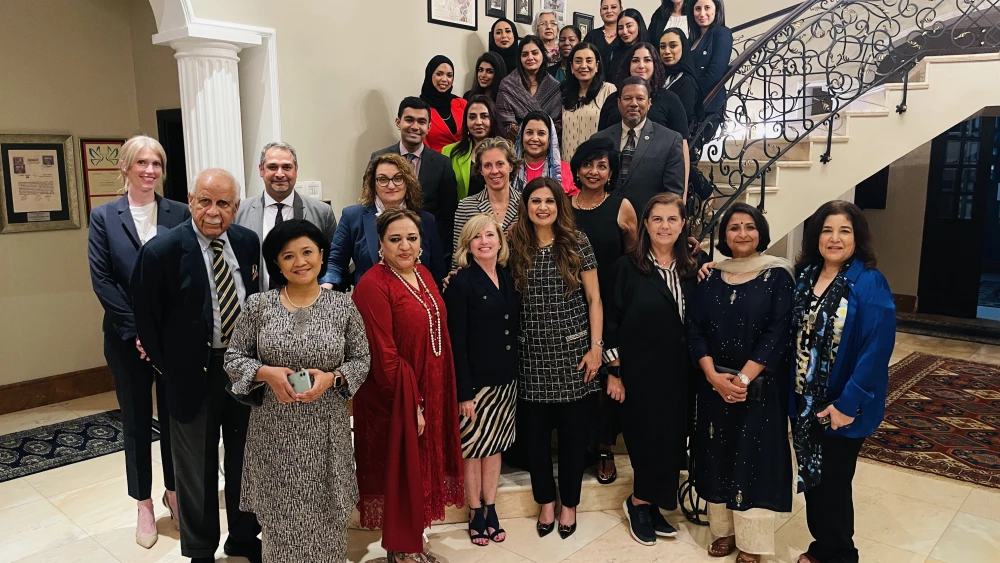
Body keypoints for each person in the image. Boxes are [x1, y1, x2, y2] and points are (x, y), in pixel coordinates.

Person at [130, 168, 262, 563]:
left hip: (243, 370)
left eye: (223, 203)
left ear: (236, 207)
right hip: (191, 375)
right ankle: (201, 549)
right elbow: (147, 322)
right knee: (195, 469)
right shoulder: (160, 252)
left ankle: (243, 537)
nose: (213, 211)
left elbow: (254, 300)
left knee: (244, 459)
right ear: (190, 201)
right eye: (204, 200)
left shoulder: (246, 241)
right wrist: (172, 370)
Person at [223, 219, 371, 562]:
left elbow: (362, 359)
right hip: (275, 435)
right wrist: (265, 372)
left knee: (328, 521)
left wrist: (332, 378)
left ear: (321, 256)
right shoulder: (259, 306)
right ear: (277, 264)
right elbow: (233, 358)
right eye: (288, 256)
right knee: (279, 523)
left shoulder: (342, 306)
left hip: (326, 433)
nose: (300, 261)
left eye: (307, 252)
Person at [87, 135, 187, 549]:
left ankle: (176, 494)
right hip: (127, 338)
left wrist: (162, 331)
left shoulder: (179, 213)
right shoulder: (104, 217)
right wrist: (137, 331)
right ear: (125, 167)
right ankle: (144, 503)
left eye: (157, 164)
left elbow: (185, 274)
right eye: (142, 162)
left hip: (169, 338)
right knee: (134, 422)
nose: (150, 170)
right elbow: (103, 280)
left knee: (174, 419)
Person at [352, 208, 464, 563]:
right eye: (395, 239)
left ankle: (414, 539)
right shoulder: (372, 285)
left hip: (432, 387)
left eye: (411, 238)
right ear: (380, 244)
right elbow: (383, 353)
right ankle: (401, 549)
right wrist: (412, 403)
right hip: (396, 396)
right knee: (402, 471)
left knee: (422, 467)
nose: (405, 246)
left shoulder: (424, 273)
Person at [687, 202, 794, 563]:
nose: (742, 234)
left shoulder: (778, 275)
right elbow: (695, 329)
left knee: (753, 460)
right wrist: (713, 376)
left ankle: (752, 542)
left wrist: (742, 379)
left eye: (749, 226)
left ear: (760, 232)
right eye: (734, 227)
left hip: (758, 387)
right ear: (724, 235)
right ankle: (724, 531)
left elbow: (777, 333)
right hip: (715, 383)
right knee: (717, 454)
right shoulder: (711, 276)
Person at [791, 201, 895, 563]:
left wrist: (847, 405)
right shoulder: (805, 277)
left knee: (834, 484)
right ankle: (823, 548)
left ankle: (841, 555)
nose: (834, 238)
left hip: (843, 406)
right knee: (814, 479)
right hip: (805, 402)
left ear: (857, 237)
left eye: (844, 231)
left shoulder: (868, 282)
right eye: (827, 230)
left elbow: (875, 351)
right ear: (816, 236)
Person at [509, 177, 603, 540]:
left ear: (559, 206)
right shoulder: (514, 243)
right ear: (527, 206)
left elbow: (594, 299)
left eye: (549, 200)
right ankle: (546, 502)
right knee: (535, 440)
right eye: (536, 201)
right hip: (530, 355)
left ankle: (569, 505)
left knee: (572, 439)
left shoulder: (577, 243)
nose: (543, 207)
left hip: (574, 354)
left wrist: (596, 347)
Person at [606, 193, 696, 545]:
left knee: (672, 439)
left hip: (680, 371)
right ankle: (637, 502)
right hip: (639, 371)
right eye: (657, 219)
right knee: (645, 438)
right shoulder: (627, 267)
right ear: (645, 223)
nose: (665, 226)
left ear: (682, 223)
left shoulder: (691, 267)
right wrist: (613, 371)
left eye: (672, 219)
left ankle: (653, 503)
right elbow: (610, 321)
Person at [444, 214, 520, 546]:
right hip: (476, 385)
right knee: (473, 448)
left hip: (506, 379)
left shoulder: (508, 276)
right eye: (477, 237)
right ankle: (474, 510)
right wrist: (464, 391)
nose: (484, 241)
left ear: (500, 241)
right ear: (468, 245)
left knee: (495, 446)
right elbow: (455, 343)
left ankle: (491, 505)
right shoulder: (461, 282)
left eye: (490, 235)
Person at [567, 137, 636, 486]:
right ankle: (581, 444)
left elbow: (634, 255)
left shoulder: (621, 206)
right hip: (570, 304)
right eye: (588, 164)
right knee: (580, 378)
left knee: (610, 372)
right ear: (577, 168)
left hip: (610, 300)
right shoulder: (564, 206)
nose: (594, 171)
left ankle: (606, 446)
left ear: (610, 172)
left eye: (601, 166)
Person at [320, 154, 446, 290]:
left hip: (415, 302)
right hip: (368, 301)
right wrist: (326, 287)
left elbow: (437, 272)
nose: (391, 185)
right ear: (373, 183)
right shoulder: (352, 216)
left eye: (398, 178)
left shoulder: (426, 220)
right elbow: (336, 263)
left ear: (407, 181)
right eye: (383, 179)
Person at [234, 142, 338, 290]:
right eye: (272, 167)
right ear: (261, 170)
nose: (280, 174)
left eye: (287, 167)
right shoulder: (239, 213)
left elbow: (334, 259)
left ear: (296, 170)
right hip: (257, 304)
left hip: (307, 304)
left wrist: (325, 288)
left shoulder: (322, 212)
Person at [371, 97, 459, 259]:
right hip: (385, 248)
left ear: (429, 127)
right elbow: (369, 201)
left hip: (427, 251)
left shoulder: (442, 164)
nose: (415, 127)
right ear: (398, 122)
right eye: (409, 120)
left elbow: (448, 216)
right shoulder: (379, 158)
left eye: (421, 121)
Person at [599, 42, 691, 190]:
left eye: (647, 60)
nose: (641, 65)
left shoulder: (671, 100)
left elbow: (682, 149)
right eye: (635, 60)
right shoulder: (612, 100)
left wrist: (682, 194)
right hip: (613, 187)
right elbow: (600, 142)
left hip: (653, 187)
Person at [591, 76, 686, 211]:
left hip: (647, 223)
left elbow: (673, 193)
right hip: (606, 221)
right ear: (619, 103)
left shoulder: (670, 140)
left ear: (649, 103)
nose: (634, 104)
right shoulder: (599, 140)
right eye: (628, 98)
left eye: (640, 98)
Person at [452, 137, 523, 256]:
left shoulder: (525, 203)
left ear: (510, 166)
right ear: (481, 170)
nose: (494, 171)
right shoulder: (466, 206)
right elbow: (459, 255)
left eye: (500, 164)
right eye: (487, 165)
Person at [496, 35, 563, 141]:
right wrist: (529, 139)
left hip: (547, 147)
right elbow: (506, 124)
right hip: (515, 150)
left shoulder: (554, 87)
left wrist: (541, 139)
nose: (530, 58)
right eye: (525, 54)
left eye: (535, 53)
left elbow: (558, 123)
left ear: (543, 55)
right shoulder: (507, 85)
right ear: (519, 58)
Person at [560, 42, 617, 162]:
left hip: (595, 164)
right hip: (566, 163)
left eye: (589, 60)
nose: (583, 65)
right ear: (571, 66)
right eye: (578, 61)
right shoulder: (565, 93)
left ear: (597, 65)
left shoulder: (608, 90)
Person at [442, 95, 502, 200]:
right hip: (461, 214)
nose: (478, 122)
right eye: (472, 117)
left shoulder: (506, 151)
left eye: (484, 116)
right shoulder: (449, 152)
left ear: (493, 119)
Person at [689, 0, 733, 141]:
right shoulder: (692, 39)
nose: (702, 13)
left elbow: (715, 73)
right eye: (697, 9)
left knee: (692, 150)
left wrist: (690, 92)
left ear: (716, 9)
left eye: (707, 8)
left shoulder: (722, 33)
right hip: (691, 104)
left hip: (708, 102)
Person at [515, 111, 577, 196]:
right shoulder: (511, 168)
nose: (535, 138)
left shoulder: (563, 169)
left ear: (550, 139)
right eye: (529, 132)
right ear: (521, 136)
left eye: (541, 133)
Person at [419, 55, 468, 152]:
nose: (445, 79)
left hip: (464, 161)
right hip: (436, 163)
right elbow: (422, 147)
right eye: (439, 74)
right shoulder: (420, 109)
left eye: (449, 75)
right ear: (430, 75)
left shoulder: (462, 103)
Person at [659, 28, 705, 129]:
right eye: (662, 47)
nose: (666, 51)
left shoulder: (687, 83)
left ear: (683, 48)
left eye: (673, 46)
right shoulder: (657, 77)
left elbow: (680, 124)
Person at [607, 9, 648, 78]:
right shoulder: (614, 52)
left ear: (639, 26)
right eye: (620, 28)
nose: (624, 32)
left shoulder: (649, 52)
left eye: (629, 26)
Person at [582, 0, 622, 71]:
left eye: (613, 7)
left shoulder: (625, 35)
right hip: (594, 81)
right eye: (605, 8)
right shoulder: (592, 36)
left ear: (621, 10)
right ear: (600, 12)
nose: (609, 11)